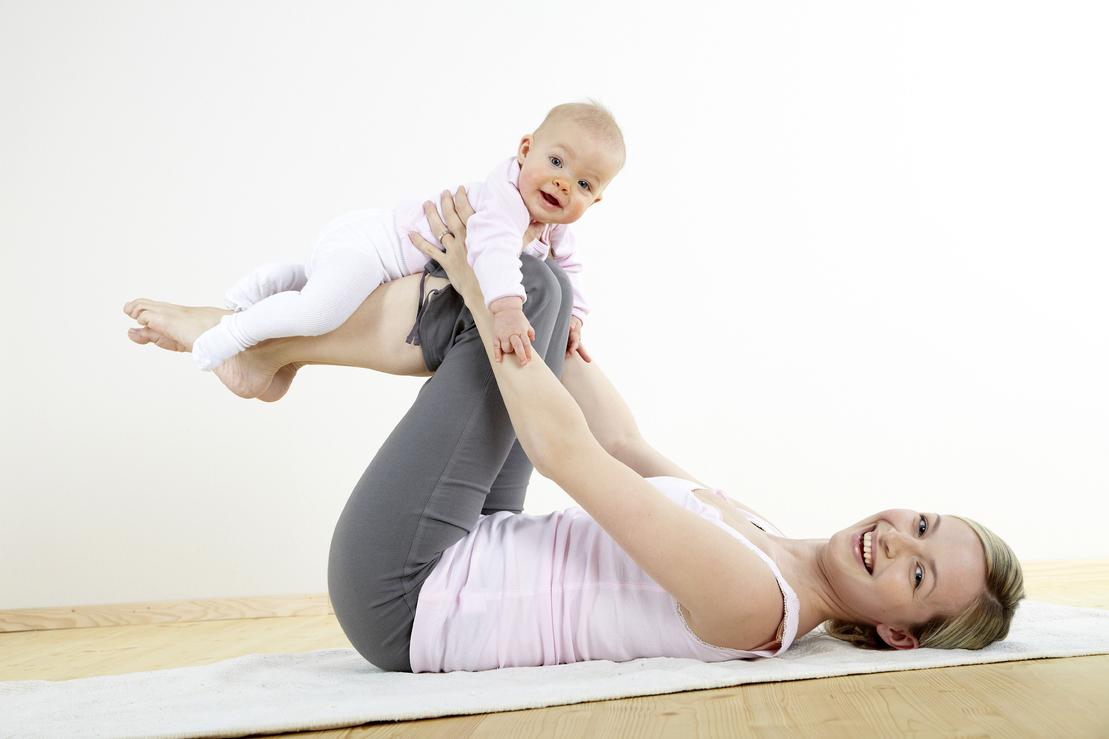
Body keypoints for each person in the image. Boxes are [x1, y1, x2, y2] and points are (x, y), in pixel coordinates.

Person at [123, 190, 1025, 673]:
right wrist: (552, 327)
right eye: (922, 524)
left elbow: (569, 455)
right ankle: (263, 352)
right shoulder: (768, 536)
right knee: (539, 291)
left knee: (511, 290)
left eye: (916, 573)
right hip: (475, 542)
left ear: (899, 633)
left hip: (406, 595)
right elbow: (622, 443)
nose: (895, 539)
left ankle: (255, 344)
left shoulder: (760, 601)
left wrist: (485, 288)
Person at [182, 101, 624, 377]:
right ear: (525, 150)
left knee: (335, 293)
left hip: (371, 259)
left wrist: (575, 316)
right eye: (557, 162)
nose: (564, 183)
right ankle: (232, 333)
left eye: (584, 184)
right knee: (319, 314)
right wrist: (507, 309)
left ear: (596, 200)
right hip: (373, 247)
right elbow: (494, 252)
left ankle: (280, 279)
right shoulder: (504, 201)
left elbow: (570, 268)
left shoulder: (553, 227)